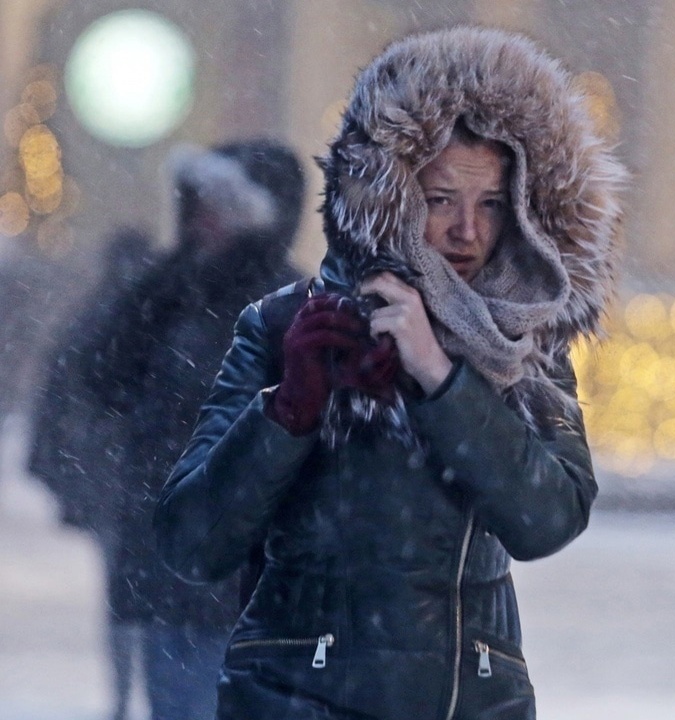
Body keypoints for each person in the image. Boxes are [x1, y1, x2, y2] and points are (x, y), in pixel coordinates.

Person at [154, 27, 624, 720]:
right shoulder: (290, 326)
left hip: (470, 699)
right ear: (391, 194)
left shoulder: (521, 339)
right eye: (441, 200)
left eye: (490, 202)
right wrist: (288, 411)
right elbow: (193, 541)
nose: (467, 229)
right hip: (297, 698)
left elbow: (547, 519)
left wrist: (441, 379)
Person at [86, 140, 306, 720]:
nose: (204, 218)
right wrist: (156, 287)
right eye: (198, 202)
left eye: (221, 205)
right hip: (172, 571)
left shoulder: (293, 307)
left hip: (255, 580)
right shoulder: (168, 292)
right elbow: (98, 378)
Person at [27, 227, 157, 720]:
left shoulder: (93, 318)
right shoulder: (161, 314)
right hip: (147, 482)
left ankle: (125, 695)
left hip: (110, 484)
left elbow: (58, 400)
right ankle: (151, 691)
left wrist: (64, 476)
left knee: (123, 597)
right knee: (165, 600)